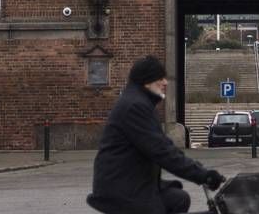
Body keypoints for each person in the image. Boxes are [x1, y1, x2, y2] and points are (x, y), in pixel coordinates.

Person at [89, 56, 225, 214]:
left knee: (179, 199)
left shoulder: (139, 102)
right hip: (120, 189)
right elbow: (161, 151)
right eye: (160, 78)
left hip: (129, 182)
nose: (165, 83)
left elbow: (164, 145)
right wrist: (202, 175)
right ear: (147, 81)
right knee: (160, 206)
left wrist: (197, 168)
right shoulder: (135, 107)